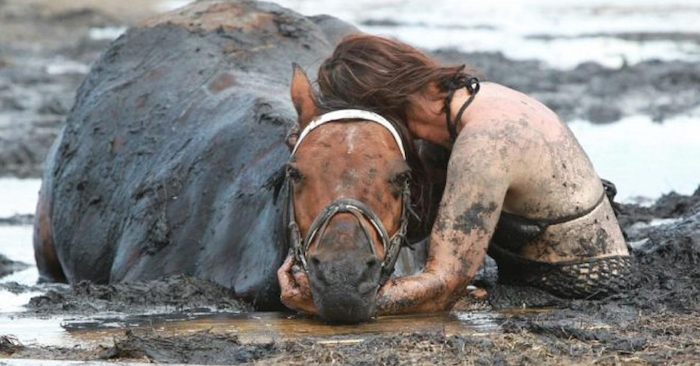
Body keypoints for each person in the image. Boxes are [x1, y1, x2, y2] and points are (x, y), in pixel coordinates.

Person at [278, 34, 633, 315]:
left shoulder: (486, 143)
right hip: (536, 275)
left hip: (578, 289)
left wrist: (333, 300)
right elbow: (416, 229)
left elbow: (444, 286)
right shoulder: (461, 114)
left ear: (382, 103)